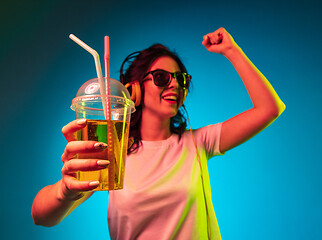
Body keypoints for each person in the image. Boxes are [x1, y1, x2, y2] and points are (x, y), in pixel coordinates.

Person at [32, 27, 285, 239]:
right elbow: (40, 216)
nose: (174, 83)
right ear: (134, 91)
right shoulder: (113, 152)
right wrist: (64, 191)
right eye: (162, 77)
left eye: (181, 78)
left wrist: (231, 50)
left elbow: (269, 108)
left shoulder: (198, 143)